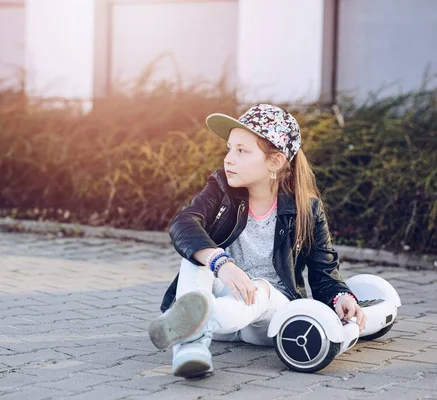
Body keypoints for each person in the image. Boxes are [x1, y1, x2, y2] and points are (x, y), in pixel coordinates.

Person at [148, 104, 367, 378]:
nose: (229, 158)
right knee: (196, 257)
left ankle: (189, 326)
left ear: (274, 162)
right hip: (224, 308)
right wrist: (220, 262)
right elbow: (184, 224)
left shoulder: (306, 209)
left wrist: (340, 297)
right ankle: (192, 349)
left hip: (267, 315)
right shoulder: (220, 189)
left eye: (242, 151)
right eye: (229, 148)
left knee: (260, 288)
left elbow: (324, 272)